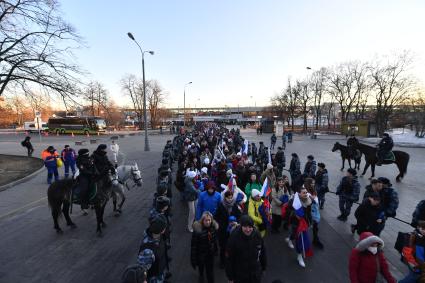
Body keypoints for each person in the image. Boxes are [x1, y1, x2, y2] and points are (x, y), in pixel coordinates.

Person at [225, 215, 267, 283]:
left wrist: (264, 267)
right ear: (241, 226)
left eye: (250, 227)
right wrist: (230, 277)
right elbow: (229, 259)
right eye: (245, 227)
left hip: (254, 274)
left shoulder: (257, 235)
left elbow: (262, 252)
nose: (248, 230)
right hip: (240, 275)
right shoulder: (234, 238)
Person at [285, 187, 313, 267]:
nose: (305, 194)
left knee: (300, 239)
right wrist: (294, 214)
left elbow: (309, 213)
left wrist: (310, 222)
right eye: (303, 192)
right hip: (295, 222)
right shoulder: (294, 201)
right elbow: (288, 210)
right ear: (299, 193)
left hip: (303, 224)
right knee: (296, 236)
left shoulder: (308, 201)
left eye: (306, 192)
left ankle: (299, 256)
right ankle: (291, 240)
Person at [215, 190, 242, 268]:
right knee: (223, 247)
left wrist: (236, 222)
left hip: (233, 230)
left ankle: (232, 261)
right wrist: (221, 225)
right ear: (225, 197)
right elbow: (216, 217)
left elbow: (239, 215)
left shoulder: (235, 205)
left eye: (231, 197)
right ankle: (222, 262)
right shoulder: (221, 205)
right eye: (228, 198)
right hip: (223, 230)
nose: (230, 199)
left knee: (233, 246)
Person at [139, 215, 168, 283]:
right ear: (162, 230)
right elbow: (142, 270)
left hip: (160, 269)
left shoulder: (157, 235)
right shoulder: (147, 251)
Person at [191, 211, 218, 283]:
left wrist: (215, 249)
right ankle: (201, 275)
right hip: (201, 254)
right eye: (206, 220)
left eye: (209, 220)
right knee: (201, 267)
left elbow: (214, 240)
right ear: (202, 220)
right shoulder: (197, 231)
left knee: (210, 271)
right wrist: (193, 259)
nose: (208, 222)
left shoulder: (213, 228)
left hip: (210, 254)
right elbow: (193, 246)